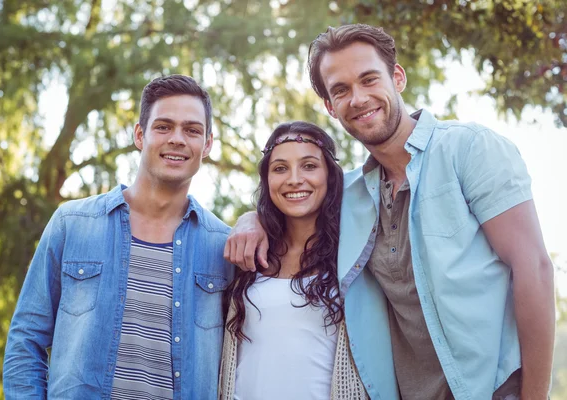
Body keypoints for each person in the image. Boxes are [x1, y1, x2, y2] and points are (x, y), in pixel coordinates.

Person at [225, 24, 555, 400]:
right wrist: (249, 219)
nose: (359, 98)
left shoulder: (467, 149)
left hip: (494, 389)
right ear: (330, 107)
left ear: (397, 77)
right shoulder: (348, 194)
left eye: (369, 79)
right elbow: (293, 205)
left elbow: (534, 268)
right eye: (341, 90)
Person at [3, 75, 233, 399]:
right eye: (163, 126)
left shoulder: (223, 245)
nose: (178, 139)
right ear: (140, 134)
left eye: (192, 130)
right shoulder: (72, 224)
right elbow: (26, 341)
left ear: (207, 144)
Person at [219, 121, 367, 400]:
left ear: (330, 176)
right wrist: (249, 217)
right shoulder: (248, 255)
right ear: (267, 180)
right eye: (280, 168)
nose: (294, 179)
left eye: (309, 166)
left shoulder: (355, 253)